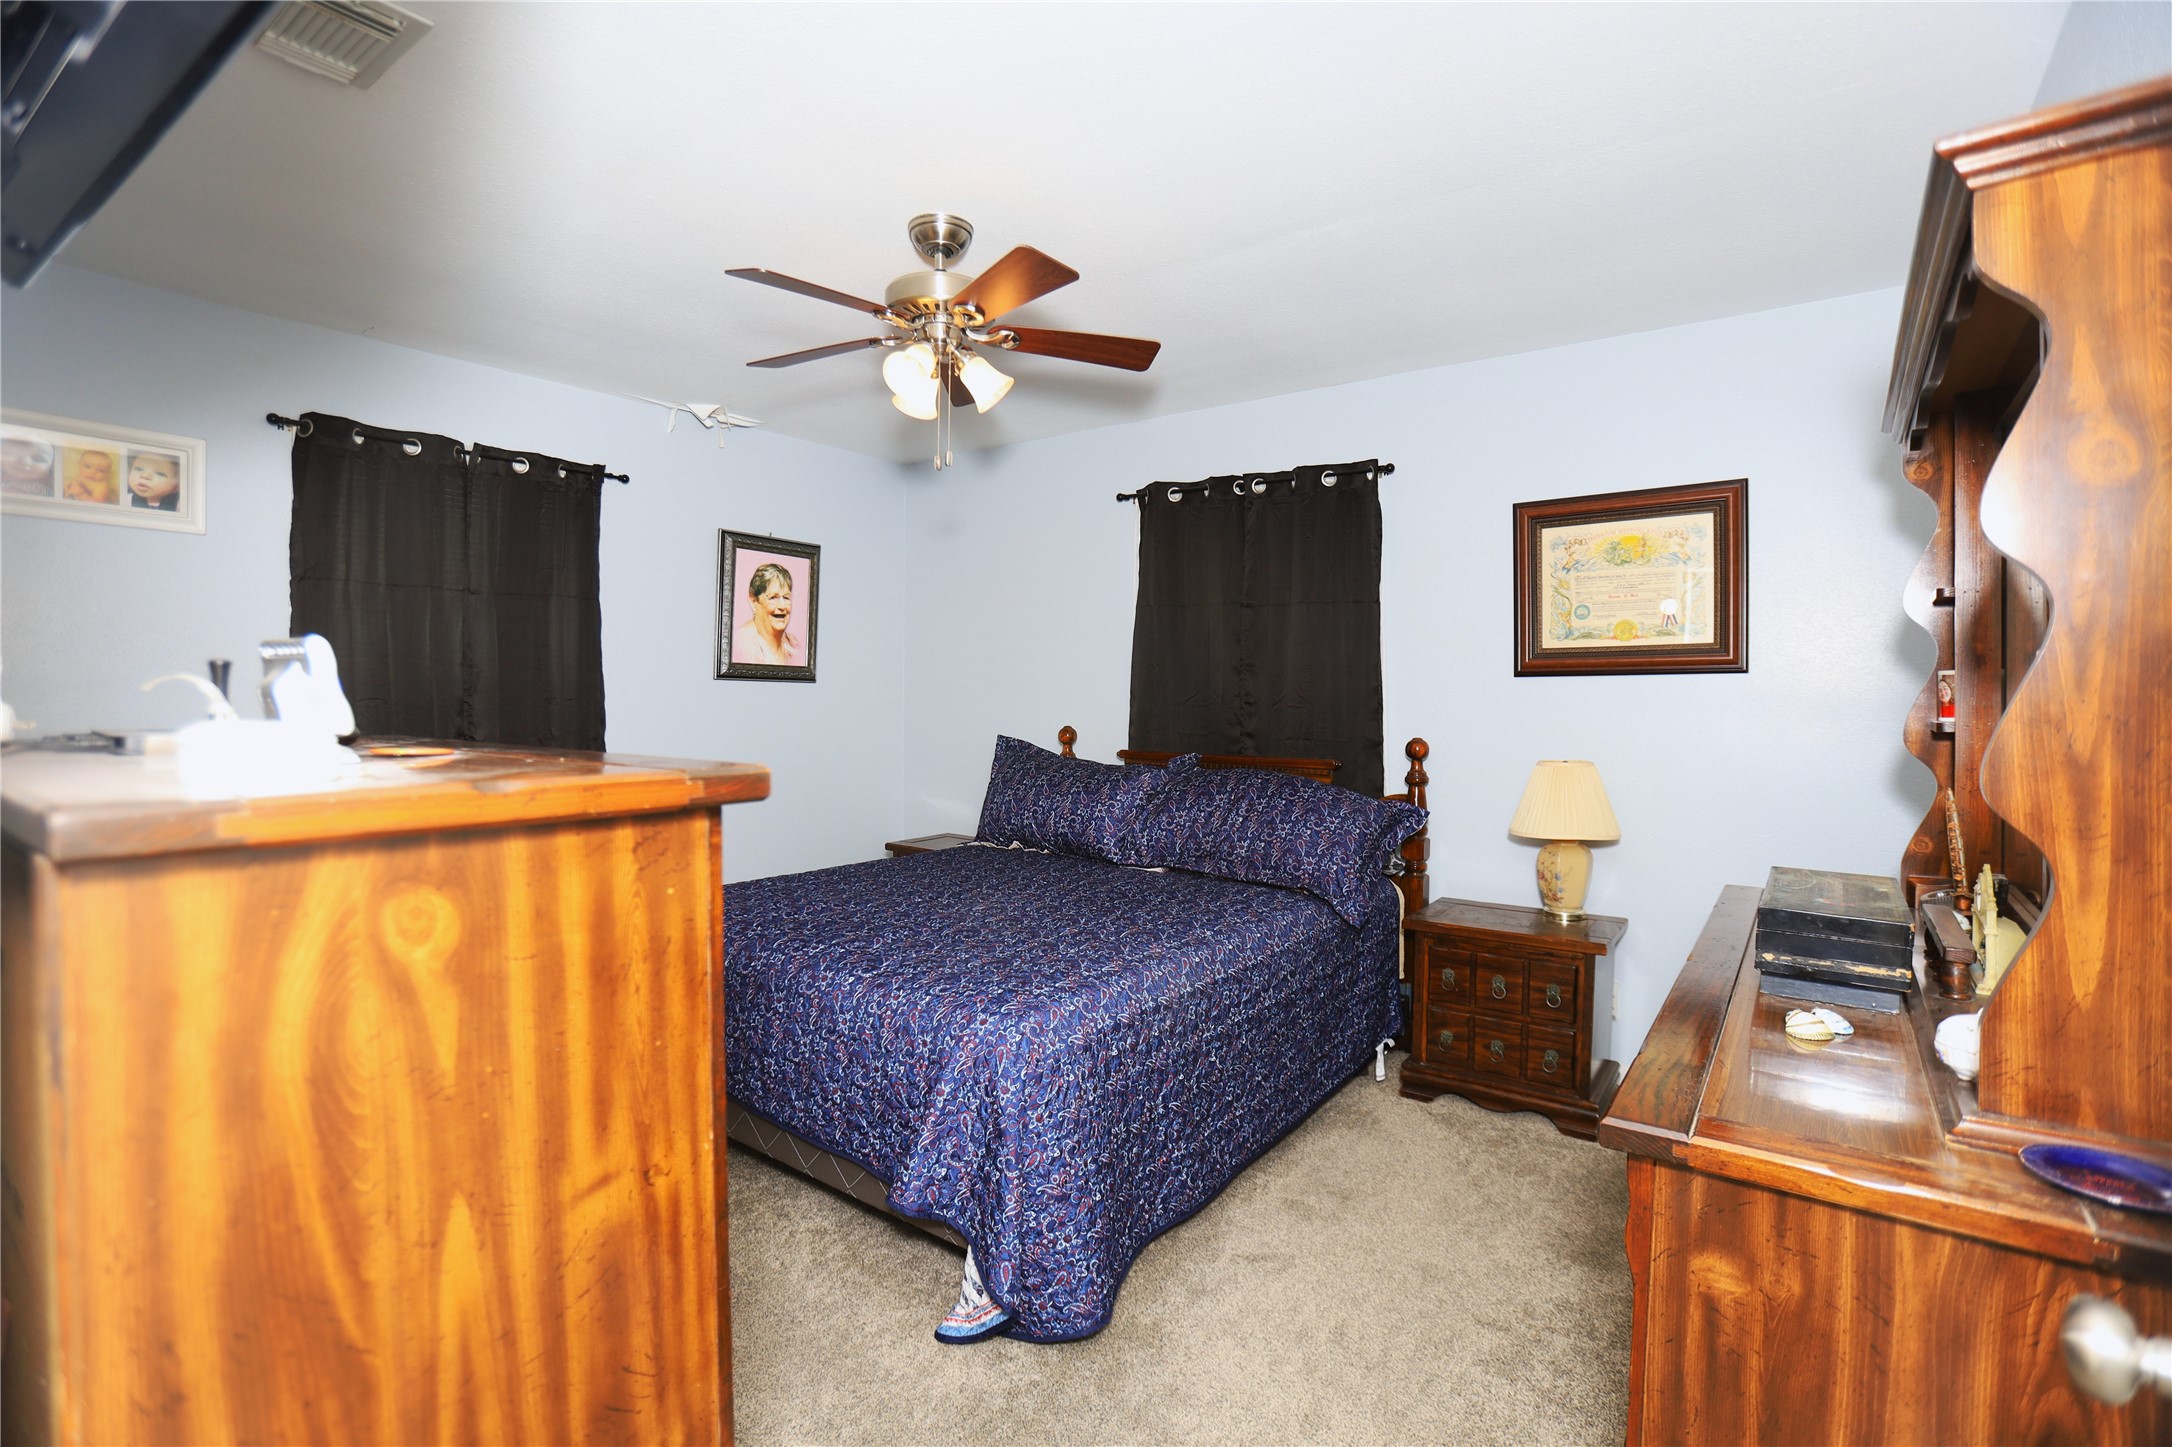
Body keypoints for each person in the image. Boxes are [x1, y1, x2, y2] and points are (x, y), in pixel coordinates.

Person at [733, 561, 802, 665]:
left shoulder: (793, 644)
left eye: (786, 597)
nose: (782, 606)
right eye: (773, 597)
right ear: (753, 601)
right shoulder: (743, 644)